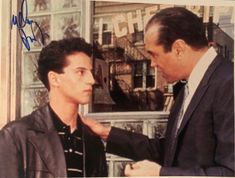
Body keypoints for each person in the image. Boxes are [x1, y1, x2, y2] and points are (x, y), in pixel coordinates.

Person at [82, 7, 234, 176]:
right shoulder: (189, 87)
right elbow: (170, 152)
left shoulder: (229, 83)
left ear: (178, 48)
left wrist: (161, 174)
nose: (152, 64)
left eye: (154, 54)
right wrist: (106, 133)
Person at [0, 37, 108, 178]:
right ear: (54, 79)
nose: (92, 80)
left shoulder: (92, 141)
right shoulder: (15, 136)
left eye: (90, 72)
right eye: (81, 72)